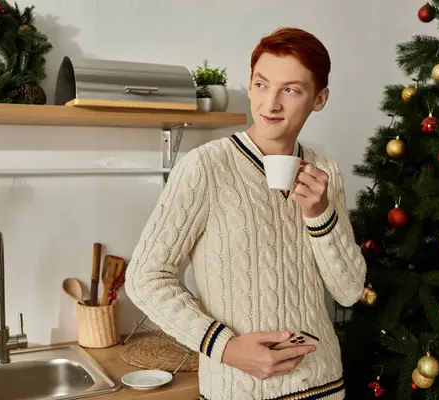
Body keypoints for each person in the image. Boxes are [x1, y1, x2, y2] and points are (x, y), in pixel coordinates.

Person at [124, 26, 367, 400]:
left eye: (291, 90)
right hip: (238, 393)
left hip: (324, 388)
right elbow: (144, 278)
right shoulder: (206, 166)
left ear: (319, 99)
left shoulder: (324, 172)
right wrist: (226, 347)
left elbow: (349, 291)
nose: (270, 104)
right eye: (261, 84)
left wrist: (320, 215)